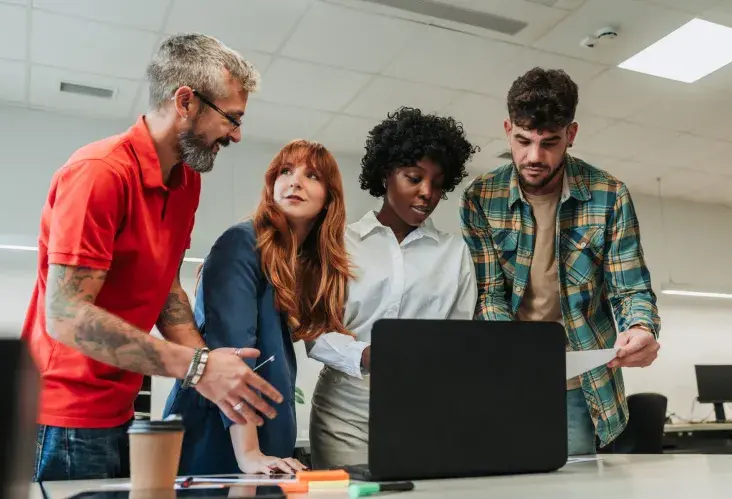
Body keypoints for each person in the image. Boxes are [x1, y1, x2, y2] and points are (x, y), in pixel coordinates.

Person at [24, 33, 284, 482]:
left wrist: (211, 369)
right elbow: (65, 315)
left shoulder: (185, 182)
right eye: (231, 118)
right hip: (60, 415)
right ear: (186, 101)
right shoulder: (100, 173)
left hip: (121, 409)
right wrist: (197, 366)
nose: (237, 135)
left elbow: (165, 289)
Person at [459, 67, 661, 455]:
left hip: (581, 386)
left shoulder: (609, 195)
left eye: (549, 142)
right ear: (507, 130)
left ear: (571, 134)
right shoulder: (481, 197)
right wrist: (518, 354)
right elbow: (489, 296)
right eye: (523, 141)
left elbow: (629, 287)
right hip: (509, 376)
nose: (534, 156)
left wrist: (640, 326)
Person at [163, 139, 352, 475]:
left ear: (329, 200)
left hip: (262, 443)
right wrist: (249, 453)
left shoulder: (297, 265)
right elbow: (231, 353)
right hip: (219, 440)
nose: (294, 181)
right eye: (285, 171)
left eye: (312, 176)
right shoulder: (242, 242)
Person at [307, 107, 479, 469]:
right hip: (345, 412)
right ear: (386, 174)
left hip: (423, 411)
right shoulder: (339, 243)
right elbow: (315, 332)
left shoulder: (455, 253)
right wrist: (367, 356)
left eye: (437, 182)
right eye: (413, 178)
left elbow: (460, 336)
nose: (426, 193)